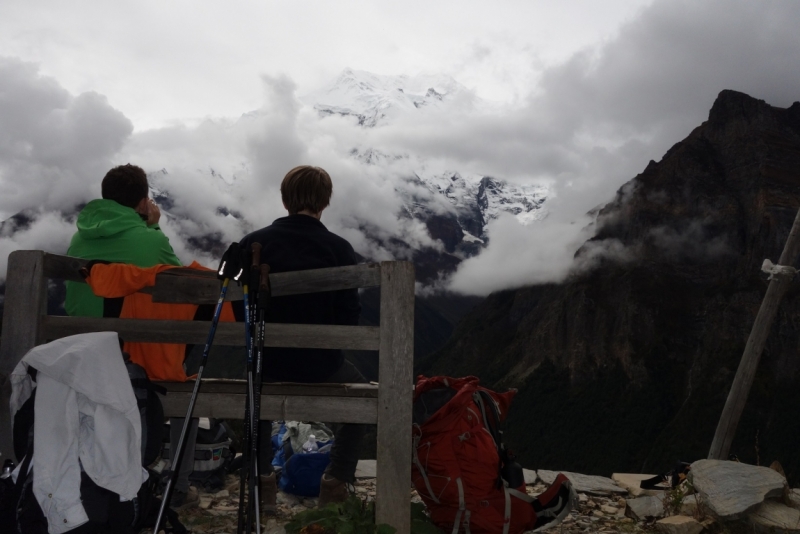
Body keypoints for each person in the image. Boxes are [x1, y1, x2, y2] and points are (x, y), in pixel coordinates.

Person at [65, 163, 200, 509]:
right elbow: (183, 286)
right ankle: (178, 486)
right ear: (143, 201)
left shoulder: (80, 237)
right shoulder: (150, 239)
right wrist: (152, 228)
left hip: (79, 353)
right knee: (191, 387)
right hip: (131, 358)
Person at [239, 165, 365, 510]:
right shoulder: (339, 248)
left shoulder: (254, 244)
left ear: (284, 199)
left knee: (255, 398)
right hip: (321, 364)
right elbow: (348, 318)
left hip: (268, 364)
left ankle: (263, 486)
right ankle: (334, 485)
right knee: (364, 396)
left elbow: (241, 314)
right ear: (325, 202)